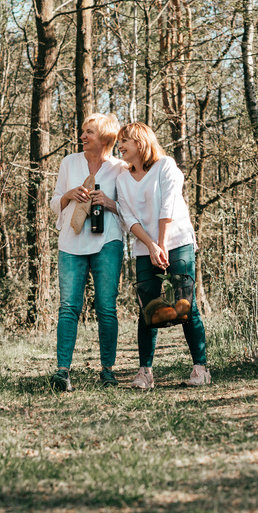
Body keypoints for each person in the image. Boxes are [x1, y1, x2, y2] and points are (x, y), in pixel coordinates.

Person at [115, 122, 210, 389]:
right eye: (119, 141)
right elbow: (128, 216)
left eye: (125, 140)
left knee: (185, 305)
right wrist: (151, 245)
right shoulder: (122, 178)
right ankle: (145, 372)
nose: (119, 145)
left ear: (141, 142)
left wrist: (163, 243)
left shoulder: (165, 166)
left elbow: (168, 203)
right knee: (148, 309)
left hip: (177, 241)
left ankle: (200, 369)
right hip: (145, 247)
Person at [49, 113, 127, 391]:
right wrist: (69, 195)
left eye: (89, 132)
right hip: (71, 243)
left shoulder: (120, 168)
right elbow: (53, 201)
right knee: (68, 307)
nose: (82, 136)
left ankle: (107, 371)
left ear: (105, 138)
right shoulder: (69, 162)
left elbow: (130, 211)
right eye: (83, 131)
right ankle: (62, 372)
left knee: (106, 308)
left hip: (107, 242)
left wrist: (108, 202)